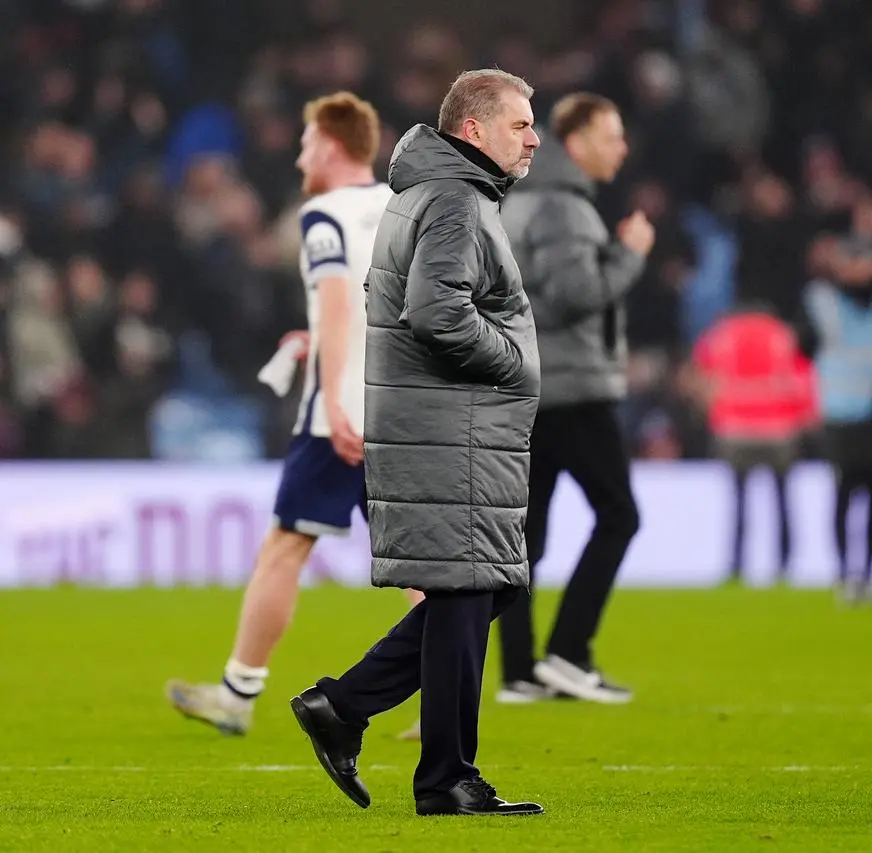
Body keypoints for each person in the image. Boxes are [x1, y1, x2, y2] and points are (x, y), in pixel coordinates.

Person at [289, 69, 544, 817]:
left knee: (486, 586)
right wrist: (515, 360)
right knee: (473, 587)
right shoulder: (458, 202)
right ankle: (445, 778)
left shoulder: (429, 194)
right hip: (451, 429)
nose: (534, 137)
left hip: (444, 428)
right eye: (521, 124)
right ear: (474, 130)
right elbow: (436, 313)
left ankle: (345, 706)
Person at [166, 92, 418, 736]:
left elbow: (338, 302)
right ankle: (449, 693)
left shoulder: (323, 215)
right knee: (417, 563)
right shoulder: (403, 208)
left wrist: (333, 398)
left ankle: (237, 694)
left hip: (338, 417)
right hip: (399, 406)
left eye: (308, 144)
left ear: (332, 147)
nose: (301, 154)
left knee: (284, 546)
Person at [494, 92, 651, 704]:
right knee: (619, 515)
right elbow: (574, 294)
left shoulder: (526, 200)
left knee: (527, 533)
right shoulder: (562, 206)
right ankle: (567, 652)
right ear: (577, 140)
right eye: (611, 135)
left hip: (533, 385)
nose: (622, 148)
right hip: (571, 387)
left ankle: (518, 671)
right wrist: (630, 255)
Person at [802, 229, 872, 603]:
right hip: (843, 411)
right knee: (846, 493)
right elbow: (805, 345)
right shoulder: (822, 299)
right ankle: (846, 576)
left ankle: (868, 575)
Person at [691, 302, 814, 585]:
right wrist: (802, 419)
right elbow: (802, 378)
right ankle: (784, 566)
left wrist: (712, 413)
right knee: (782, 499)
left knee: (739, 501)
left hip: (734, 429)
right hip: (778, 430)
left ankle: (736, 566)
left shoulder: (721, 333)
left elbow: (700, 377)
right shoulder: (783, 334)